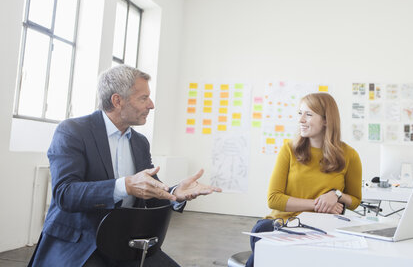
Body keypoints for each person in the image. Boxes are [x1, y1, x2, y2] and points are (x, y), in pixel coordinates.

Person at [28, 65, 221, 267]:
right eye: (143, 98)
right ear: (117, 101)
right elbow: (65, 193)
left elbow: (150, 189)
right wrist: (124, 186)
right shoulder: (72, 131)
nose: (151, 105)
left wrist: (174, 193)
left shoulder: (139, 142)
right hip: (81, 244)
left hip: (124, 242)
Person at [246, 92, 362, 267]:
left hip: (319, 229)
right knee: (266, 239)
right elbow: (274, 199)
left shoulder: (349, 155)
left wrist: (336, 195)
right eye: (300, 113)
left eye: (308, 114)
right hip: (281, 224)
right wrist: (318, 204)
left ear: (326, 120)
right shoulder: (289, 149)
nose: (301, 120)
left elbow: (354, 201)